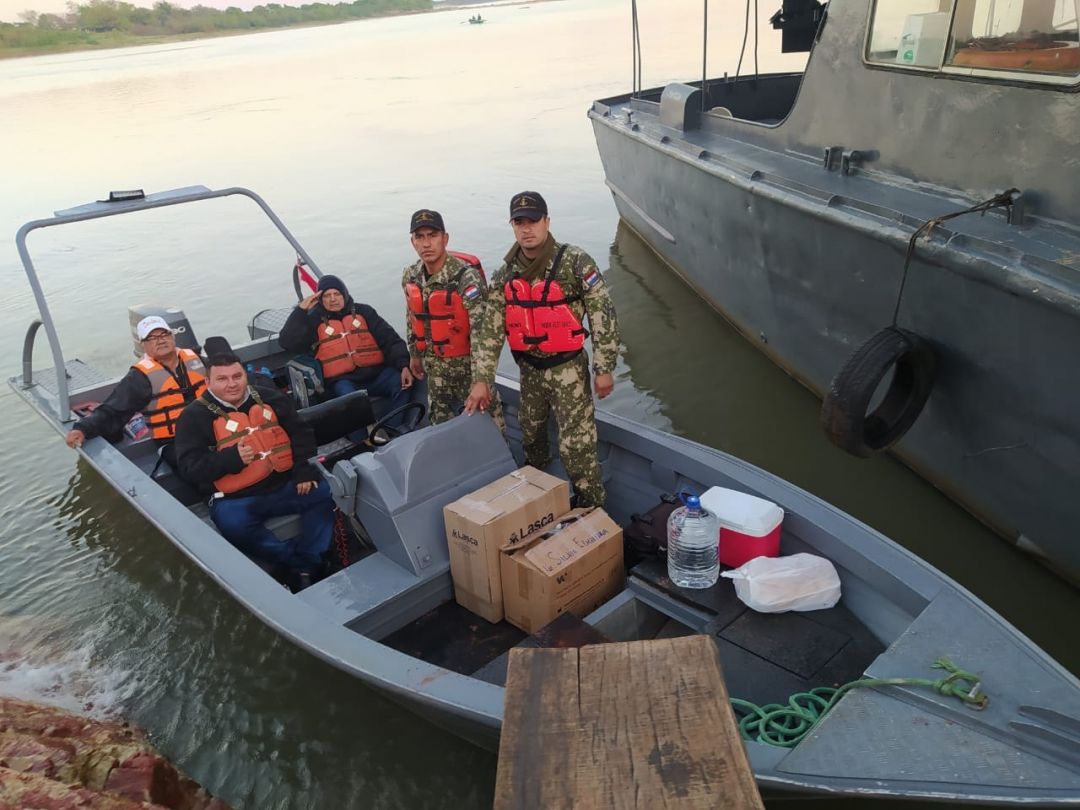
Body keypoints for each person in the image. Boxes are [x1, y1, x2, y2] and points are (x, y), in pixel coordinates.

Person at [469, 191, 620, 508]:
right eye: (519, 222)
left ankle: (592, 506)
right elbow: (490, 330)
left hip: (569, 371)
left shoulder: (575, 262)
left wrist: (603, 368)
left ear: (547, 222)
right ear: (512, 226)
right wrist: (482, 378)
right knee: (532, 435)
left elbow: (602, 313)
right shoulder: (505, 275)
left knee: (576, 447)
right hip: (530, 372)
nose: (527, 229)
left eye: (533, 220)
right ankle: (541, 497)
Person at [174, 353, 333, 589]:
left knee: (322, 492)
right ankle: (297, 562)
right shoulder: (192, 417)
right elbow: (190, 468)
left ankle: (309, 561)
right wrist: (231, 458)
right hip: (237, 498)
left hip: (284, 483)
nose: (232, 384)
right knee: (232, 524)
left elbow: (301, 434)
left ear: (245, 376)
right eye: (222, 379)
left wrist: (302, 470)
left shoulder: (270, 397)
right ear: (208, 382)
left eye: (237, 376)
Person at [401, 208, 504, 428]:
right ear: (413, 242)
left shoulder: (466, 279)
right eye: (420, 237)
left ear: (445, 239)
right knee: (440, 426)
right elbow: (411, 317)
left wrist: (481, 380)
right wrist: (414, 354)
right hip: (435, 369)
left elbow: (483, 335)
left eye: (432, 236)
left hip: (468, 368)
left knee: (490, 426)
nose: (426, 244)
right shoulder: (411, 276)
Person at [64, 316, 206, 471]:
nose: (160, 340)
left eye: (164, 334)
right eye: (152, 338)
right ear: (143, 345)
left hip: (210, 428)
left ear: (173, 335)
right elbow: (113, 410)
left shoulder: (197, 360)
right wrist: (82, 429)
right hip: (174, 441)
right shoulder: (139, 377)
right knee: (198, 469)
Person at [279, 274, 413, 424]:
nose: (333, 299)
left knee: (400, 382)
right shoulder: (313, 320)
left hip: (376, 374)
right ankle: (362, 440)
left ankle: (392, 428)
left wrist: (404, 366)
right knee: (350, 400)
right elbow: (287, 342)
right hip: (342, 381)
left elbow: (390, 340)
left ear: (345, 294)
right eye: (327, 295)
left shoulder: (365, 312)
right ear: (320, 299)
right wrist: (300, 311)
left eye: (337, 294)